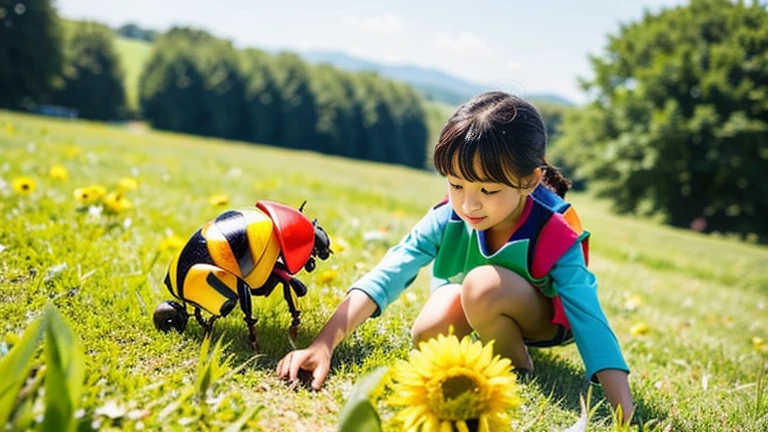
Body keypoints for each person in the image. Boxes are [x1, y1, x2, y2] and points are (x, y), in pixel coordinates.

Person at [276, 91, 634, 419]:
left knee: (481, 286)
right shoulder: (449, 215)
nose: (469, 203)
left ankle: (518, 364)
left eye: (488, 189)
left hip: (543, 320)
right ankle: (495, 335)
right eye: (457, 184)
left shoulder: (553, 232)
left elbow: (590, 319)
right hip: (484, 300)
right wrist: (323, 345)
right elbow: (390, 271)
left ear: (529, 181)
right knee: (429, 333)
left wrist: (623, 411)